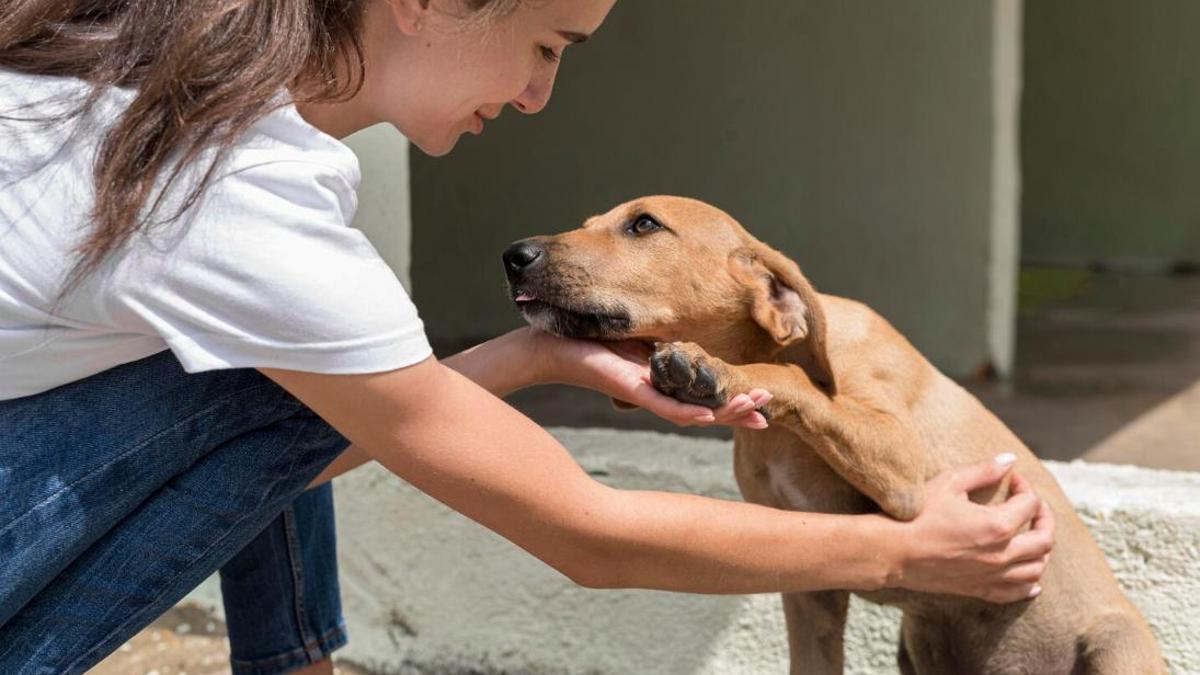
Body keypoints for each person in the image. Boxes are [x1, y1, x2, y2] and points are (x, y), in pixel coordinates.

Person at [0, 1, 1055, 673]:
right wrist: (908, 551)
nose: (540, 95)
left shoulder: (156, 77)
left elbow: (361, 409)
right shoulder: (236, 190)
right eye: (545, 47)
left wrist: (541, 352)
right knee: (298, 372)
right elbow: (585, 535)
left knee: (313, 370)